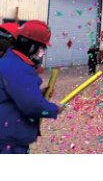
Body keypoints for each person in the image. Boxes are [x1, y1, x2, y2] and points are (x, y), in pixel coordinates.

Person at [0, 20, 65, 154]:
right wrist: (55, 109)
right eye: (42, 48)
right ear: (31, 46)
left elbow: (14, 95)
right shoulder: (18, 67)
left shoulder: (8, 62)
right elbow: (31, 105)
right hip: (8, 141)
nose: (41, 53)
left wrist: (37, 93)